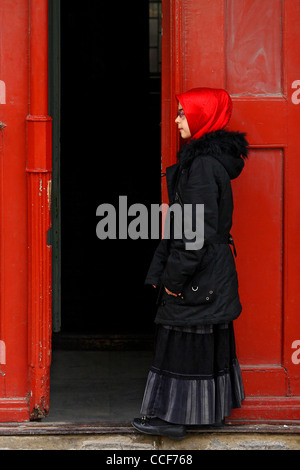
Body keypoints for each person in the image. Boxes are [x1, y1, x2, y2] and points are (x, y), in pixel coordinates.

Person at [132, 87, 248, 440]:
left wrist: (173, 280)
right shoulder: (208, 163)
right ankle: (203, 414)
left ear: (202, 117)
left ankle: (171, 419)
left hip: (198, 270)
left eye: (184, 113)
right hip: (211, 269)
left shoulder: (199, 167)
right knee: (201, 337)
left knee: (180, 339)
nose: (178, 120)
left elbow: (193, 233)